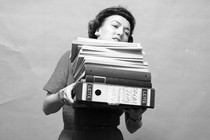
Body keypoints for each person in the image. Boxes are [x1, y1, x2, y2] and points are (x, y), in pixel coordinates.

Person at [42, 6, 147, 140]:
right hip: (73, 136)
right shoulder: (71, 57)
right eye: (115, 26)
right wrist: (62, 94)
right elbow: (47, 108)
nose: (120, 33)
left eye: (127, 32)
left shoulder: (130, 67)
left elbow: (132, 128)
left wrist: (135, 116)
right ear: (97, 30)